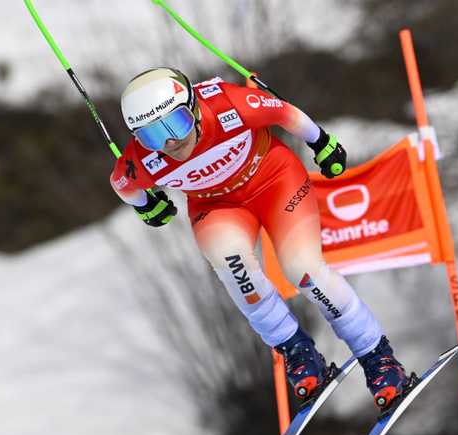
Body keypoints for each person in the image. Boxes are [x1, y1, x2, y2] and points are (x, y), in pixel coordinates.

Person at [109, 67, 418, 410]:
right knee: (234, 267)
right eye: (153, 135)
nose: (171, 141)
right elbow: (122, 184)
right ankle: (297, 352)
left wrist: (321, 142)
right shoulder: (143, 159)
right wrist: (146, 206)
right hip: (217, 206)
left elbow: (284, 112)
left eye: (177, 123)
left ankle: (378, 359)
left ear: (194, 108)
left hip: (274, 181)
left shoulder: (229, 105)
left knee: (303, 270)